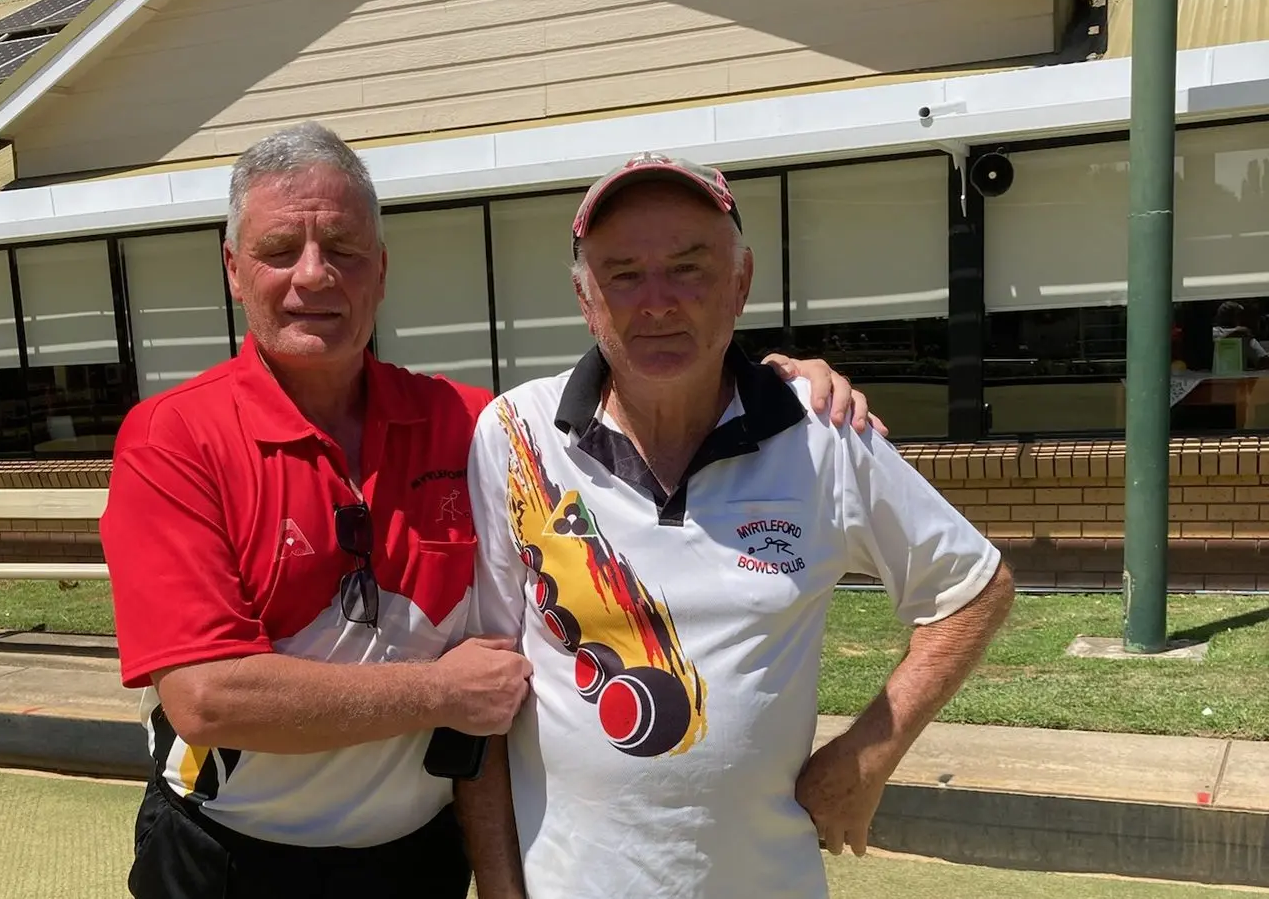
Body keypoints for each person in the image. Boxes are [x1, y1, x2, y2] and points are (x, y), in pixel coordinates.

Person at [98, 123, 883, 899]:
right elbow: (206, 698)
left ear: (380, 268)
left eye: (342, 249)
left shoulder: (473, 424)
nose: (314, 275)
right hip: (227, 858)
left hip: (421, 860)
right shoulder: (173, 438)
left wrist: (758, 382)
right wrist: (440, 693)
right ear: (235, 270)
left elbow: (628, 385)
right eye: (279, 251)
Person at [458, 151, 1017, 899]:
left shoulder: (823, 435)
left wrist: (866, 755)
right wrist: (500, 889)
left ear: (741, 283)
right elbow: (487, 691)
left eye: (690, 267)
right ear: (586, 299)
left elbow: (974, 586)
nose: (657, 300)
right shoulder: (514, 436)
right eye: (623, 273)